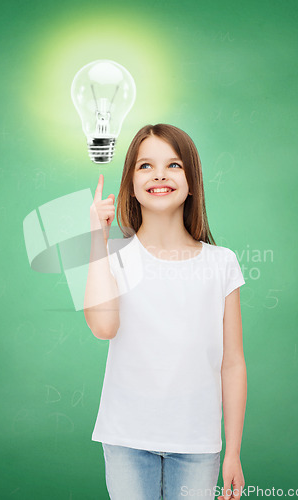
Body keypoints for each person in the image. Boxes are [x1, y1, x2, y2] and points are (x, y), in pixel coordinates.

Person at [84, 124, 247, 500]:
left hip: (197, 443)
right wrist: (96, 236)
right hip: (125, 438)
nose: (159, 174)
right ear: (130, 183)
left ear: (192, 182)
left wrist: (233, 450)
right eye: (145, 166)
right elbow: (104, 326)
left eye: (173, 164)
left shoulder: (221, 263)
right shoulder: (112, 256)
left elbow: (233, 363)